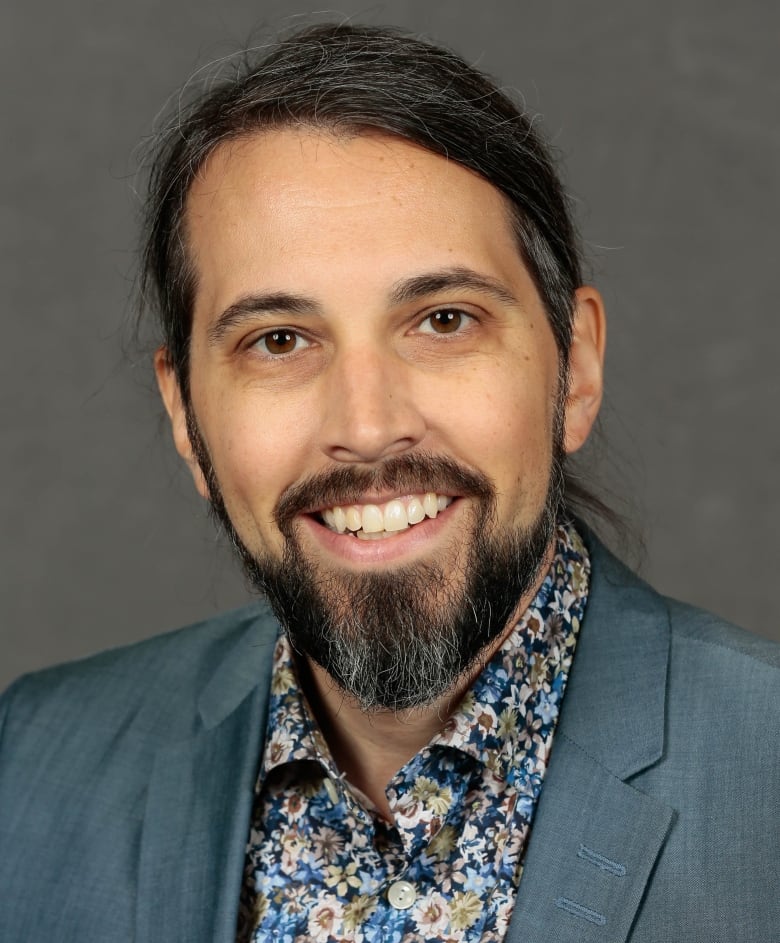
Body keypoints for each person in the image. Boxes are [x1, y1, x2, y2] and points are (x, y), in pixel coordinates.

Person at [0, 22, 777, 943]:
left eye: (444, 320)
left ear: (576, 369)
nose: (366, 426)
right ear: (184, 414)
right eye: (278, 341)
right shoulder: (32, 766)